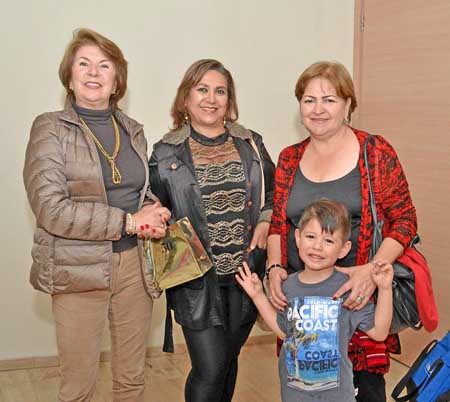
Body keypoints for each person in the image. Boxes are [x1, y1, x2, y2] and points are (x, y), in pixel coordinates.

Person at [23, 28, 171, 402]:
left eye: (104, 65)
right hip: (78, 269)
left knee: (131, 380)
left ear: (117, 79)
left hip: (136, 268)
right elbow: (50, 209)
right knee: (78, 388)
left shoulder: (132, 130)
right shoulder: (49, 128)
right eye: (84, 63)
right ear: (69, 76)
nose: (94, 72)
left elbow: (134, 189)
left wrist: (152, 207)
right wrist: (129, 222)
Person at [266, 61, 417, 402]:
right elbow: (278, 222)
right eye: (309, 100)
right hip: (305, 304)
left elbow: (405, 219)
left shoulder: (374, 152)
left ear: (348, 104)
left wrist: (371, 269)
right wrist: (274, 268)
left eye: (329, 99)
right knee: (307, 387)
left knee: (363, 390)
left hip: (356, 298)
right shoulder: (290, 158)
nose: (318, 109)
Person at [148, 59, 275, 402]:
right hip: (194, 280)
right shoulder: (164, 153)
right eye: (202, 89)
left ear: (229, 100)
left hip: (245, 275)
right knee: (211, 367)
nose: (211, 98)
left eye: (220, 91)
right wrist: (153, 213)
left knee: (228, 361)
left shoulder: (251, 144)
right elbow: (152, 207)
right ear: (185, 98)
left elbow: (275, 195)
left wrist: (265, 219)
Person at [236, 199, 394, 402]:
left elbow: (379, 332)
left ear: (344, 249)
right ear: (298, 238)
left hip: (338, 396)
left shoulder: (347, 288)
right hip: (295, 394)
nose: (317, 246)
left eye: (328, 241)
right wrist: (258, 296)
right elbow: (286, 332)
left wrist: (385, 288)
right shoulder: (289, 286)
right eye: (311, 236)